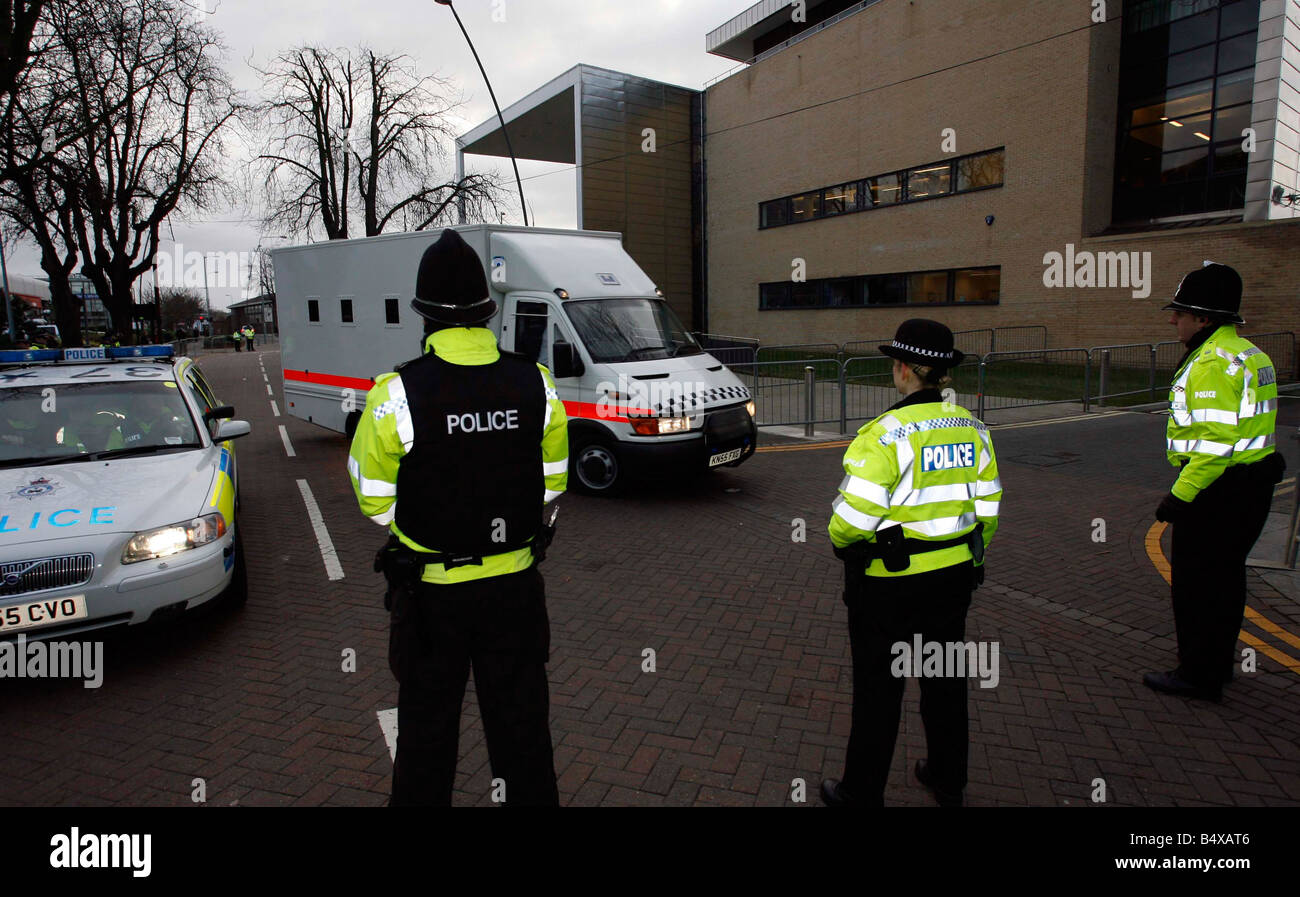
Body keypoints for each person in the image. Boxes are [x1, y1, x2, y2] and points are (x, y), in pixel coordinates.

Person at [348, 229, 569, 807]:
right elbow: (553, 482)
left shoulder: (395, 393)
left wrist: (433, 519)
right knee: (524, 740)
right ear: (486, 312)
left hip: (430, 600)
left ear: (424, 315)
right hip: (514, 592)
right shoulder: (536, 383)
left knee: (425, 739)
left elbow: (374, 501)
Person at [821, 319, 1001, 808]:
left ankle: (861, 792)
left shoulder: (884, 434)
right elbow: (987, 509)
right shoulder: (974, 428)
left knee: (880, 690)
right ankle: (947, 780)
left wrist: (843, 542)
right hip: (955, 579)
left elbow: (852, 520)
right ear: (942, 373)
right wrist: (971, 551)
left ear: (902, 369)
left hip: (888, 585)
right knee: (944, 682)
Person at [1145, 262, 1284, 702]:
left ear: (1203, 318)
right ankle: (1217, 665)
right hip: (1253, 482)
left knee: (1195, 585)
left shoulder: (1209, 364)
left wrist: (1178, 496)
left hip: (1216, 491)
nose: (1173, 320)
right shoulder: (1252, 355)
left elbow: (1213, 445)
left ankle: (1197, 675)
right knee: (1225, 582)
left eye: (1180, 313)